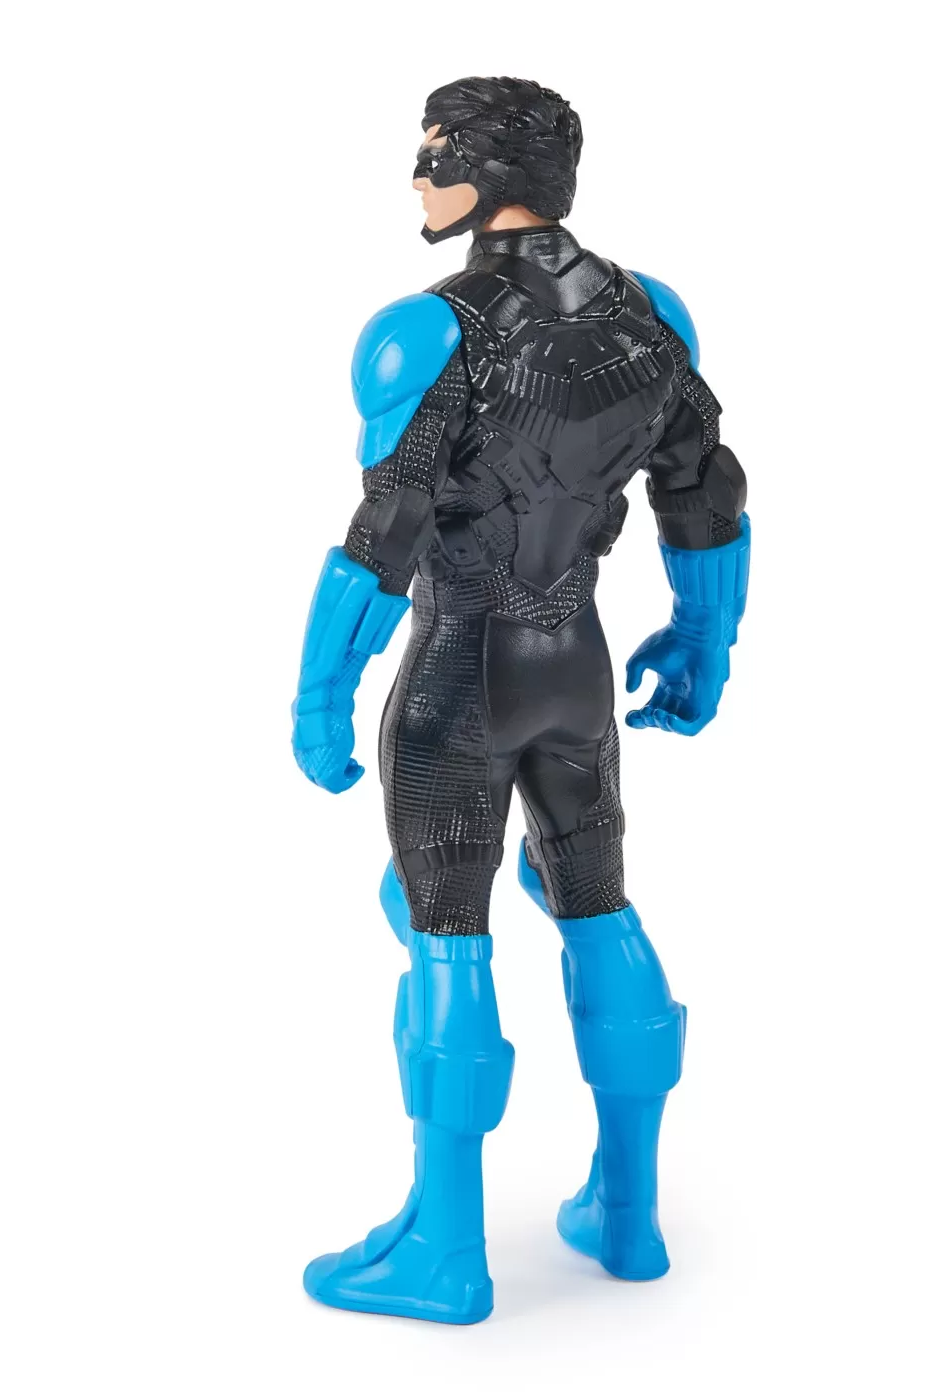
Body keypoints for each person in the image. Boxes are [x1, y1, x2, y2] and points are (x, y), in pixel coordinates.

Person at [292, 76, 750, 1324]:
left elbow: (382, 535)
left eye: (434, 151)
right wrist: (703, 637)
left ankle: (443, 1249)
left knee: (446, 926)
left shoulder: (423, 334)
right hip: (576, 664)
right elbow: (704, 491)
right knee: (595, 903)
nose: (417, 174)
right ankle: (628, 1213)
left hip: (460, 671)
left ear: (487, 173)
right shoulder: (652, 313)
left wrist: (319, 692)